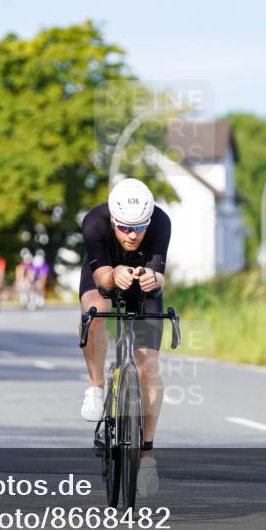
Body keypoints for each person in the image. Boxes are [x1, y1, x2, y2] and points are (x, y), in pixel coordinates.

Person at [79, 178, 170, 496]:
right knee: (96, 310)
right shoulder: (94, 222)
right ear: (113, 220)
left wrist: (152, 277)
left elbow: (159, 270)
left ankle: (146, 455)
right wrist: (113, 274)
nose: (132, 235)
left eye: (139, 228)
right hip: (104, 278)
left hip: (143, 288)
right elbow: (101, 275)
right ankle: (96, 386)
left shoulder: (160, 221)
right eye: (125, 228)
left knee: (148, 366)